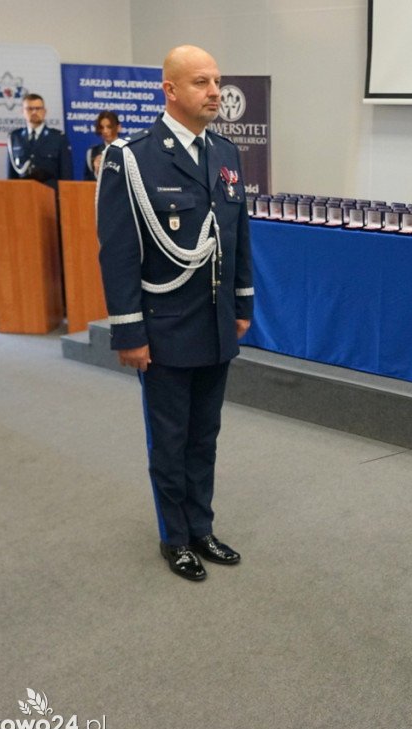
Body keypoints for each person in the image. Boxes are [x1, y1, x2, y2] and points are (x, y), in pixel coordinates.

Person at [96, 45, 254, 582]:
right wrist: (128, 332)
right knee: (169, 437)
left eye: (217, 81)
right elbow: (117, 252)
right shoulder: (133, 158)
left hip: (214, 324)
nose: (215, 92)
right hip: (163, 327)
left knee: (204, 435)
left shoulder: (226, 154)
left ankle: (202, 526)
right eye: (201, 82)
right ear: (170, 90)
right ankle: (176, 537)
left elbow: (238, 237)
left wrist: (242, 303)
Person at [6, 93, 72, 188]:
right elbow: (11, 175)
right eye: (30, 109)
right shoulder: (14, 137)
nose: (34, 112)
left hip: (50, 194)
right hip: (22, 194)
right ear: (22, 111)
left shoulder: (58, 137)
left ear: (45, 111)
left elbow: (66, 173)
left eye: (38, 108)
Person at [84, 110, 121, 181]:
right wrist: (97, 170)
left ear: (118, 128)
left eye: (109, 127)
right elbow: (87, 183)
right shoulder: (92, 153)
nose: (105, 131)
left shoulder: (127, 150)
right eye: (102, 127)